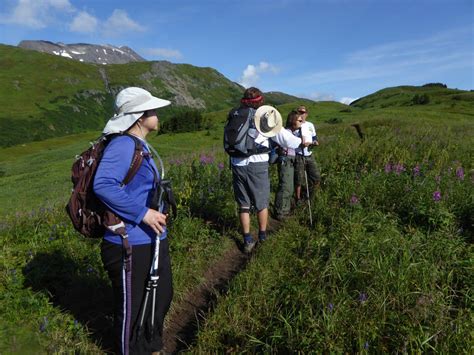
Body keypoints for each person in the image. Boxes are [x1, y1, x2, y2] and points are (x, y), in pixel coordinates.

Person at [94, 87, 173, 355]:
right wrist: (143, 214)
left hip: (150, 239)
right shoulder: (123, 144)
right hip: (128, 242)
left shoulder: (140, 145)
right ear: (139, 117)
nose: (157, 113)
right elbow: (103, 185)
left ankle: (151, 347)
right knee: (134, 311)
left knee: (160, 297)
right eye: (151, 110)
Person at [226, 87, 303, 253]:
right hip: (257, 164)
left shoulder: (235, 114)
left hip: (237, 164)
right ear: (260, 101)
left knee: (244, 204)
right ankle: (262, 236)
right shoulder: (263, 117)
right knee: (261, 203)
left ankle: (247, 240)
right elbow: (286, 139)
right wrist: (301, 142)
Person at [273, 110, 306, 220]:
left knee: (289, 186)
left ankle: (284, 210)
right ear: (292, 121)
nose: (301, 122)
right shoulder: (286, 132)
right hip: (285, 159)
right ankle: (280, 212)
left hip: (290, 159)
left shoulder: (293, 132)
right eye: (299, 120)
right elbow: (288, 143)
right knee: (285, 185)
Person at [294, 105, 321, 202]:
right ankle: (298, 199)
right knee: (298, 179)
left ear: (306, 114)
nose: (301, 114)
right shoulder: (295, 124)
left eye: (303, 112)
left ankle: (311, 196)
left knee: (316, 177)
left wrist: (315, 142)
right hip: (299, 155)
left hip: (309, 154)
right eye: (299, 112)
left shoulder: (310, 125)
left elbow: (314, 137)